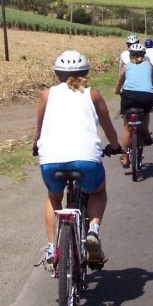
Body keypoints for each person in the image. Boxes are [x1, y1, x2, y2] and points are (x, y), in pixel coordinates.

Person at [35, 51, 122, 267]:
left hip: (51, 159)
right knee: (98, 192)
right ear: (85, 72)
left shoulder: (47, 95)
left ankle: (52, 247)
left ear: (57, 74)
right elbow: (108, 125)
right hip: (87, 159)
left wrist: (36, 144)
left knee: (54, 198)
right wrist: (114, 146)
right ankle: (93, 229)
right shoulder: (92, 94)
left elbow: (39, 128)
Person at [114, 43, 153, 166]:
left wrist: (117, 90)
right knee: (145, 112)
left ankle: (125, 157)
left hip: (129, 95)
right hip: (147, 96)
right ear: (143, 55)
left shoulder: (127, 66)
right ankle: (145, 130)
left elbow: (120, 82)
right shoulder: (149, 66)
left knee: (126, 127)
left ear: (130, 55)